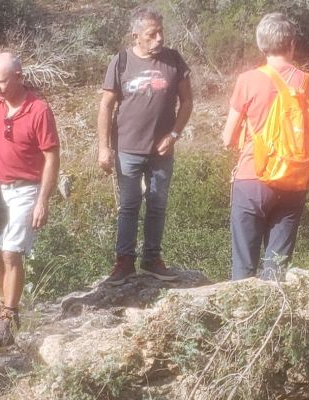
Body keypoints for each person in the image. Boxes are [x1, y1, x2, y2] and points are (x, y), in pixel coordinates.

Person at [220, 13, 309, 281]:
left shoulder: (247, 80)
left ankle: (244, 321)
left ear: (261, 46)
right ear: (292, 44)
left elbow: (226, 138)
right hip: (293, 180)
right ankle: (275, 319)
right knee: (276, 268)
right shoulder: (307, 82)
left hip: (252, 178)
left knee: (243, 269)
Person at [97, 6, 191, 285]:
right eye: (152, 34)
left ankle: (152, 260)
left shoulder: (173, 60)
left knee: (158, 204)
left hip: (162, 150)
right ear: (136, 35)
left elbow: (187, 102)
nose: (159, 38)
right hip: (127, 149)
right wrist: (104, 147)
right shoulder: (121, 61)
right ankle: (124, 262)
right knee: (128, 205)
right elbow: (106, 105)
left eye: (161, 32)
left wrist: (173, 135)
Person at [0, 52, 59, 346]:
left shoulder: (39, 109)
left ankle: (9, 318)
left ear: (19, 77)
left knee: (12, 253)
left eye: (1, 81)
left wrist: (43, 201)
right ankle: (4, 311)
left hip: (24, 189)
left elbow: (52, 157)